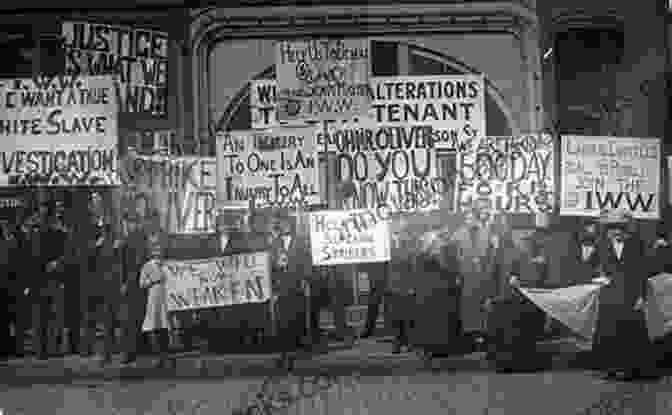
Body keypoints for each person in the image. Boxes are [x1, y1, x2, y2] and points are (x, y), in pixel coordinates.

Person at [592, 210, 654, 380]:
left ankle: (634, 369)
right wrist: (598, 279)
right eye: (612, 228)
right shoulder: (601, 245)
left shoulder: (636, 244)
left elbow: (642, 272)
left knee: (632, 333)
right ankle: (611, 369)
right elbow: (590, 266)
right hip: (610, 295)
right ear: (607, 230)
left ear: (626, 229)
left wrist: (642, 296)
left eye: (620, 228)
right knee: (610, 332)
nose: (616, 232)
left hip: (631, 295)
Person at [451, 208, 491, 341]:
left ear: (476, 219)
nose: (470, 221)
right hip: (466, 274)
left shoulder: (486, 233)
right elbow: (453, 254)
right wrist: (460, 267)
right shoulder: (458, 234)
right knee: (467, 304)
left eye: (472, 218)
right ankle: (468, 332)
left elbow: (490, 255)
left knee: (480, 304)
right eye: (467, 218)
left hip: (481, 274)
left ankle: (480, 332)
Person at [120, 211, 150, 364]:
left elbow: (136, 264)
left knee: (131, 320)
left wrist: (127, 283)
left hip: (135, 285)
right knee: (137, 318)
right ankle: (139, 350)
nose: (126, 225)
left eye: (128, 222)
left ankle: (131, 353)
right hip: (139, 284)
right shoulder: (137, 237)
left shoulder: (135, 238)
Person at [140, 233, 172, 369]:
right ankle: (157, 356)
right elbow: (141, 283)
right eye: (155, 250)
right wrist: (153, 280)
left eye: (160, 250)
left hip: (165, 299)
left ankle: (165, 356)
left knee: (164, 328)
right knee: (154, 326)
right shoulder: (147, 266)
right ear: (152, 252)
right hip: (153, 299)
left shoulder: (168, 265)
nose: (158, 253)